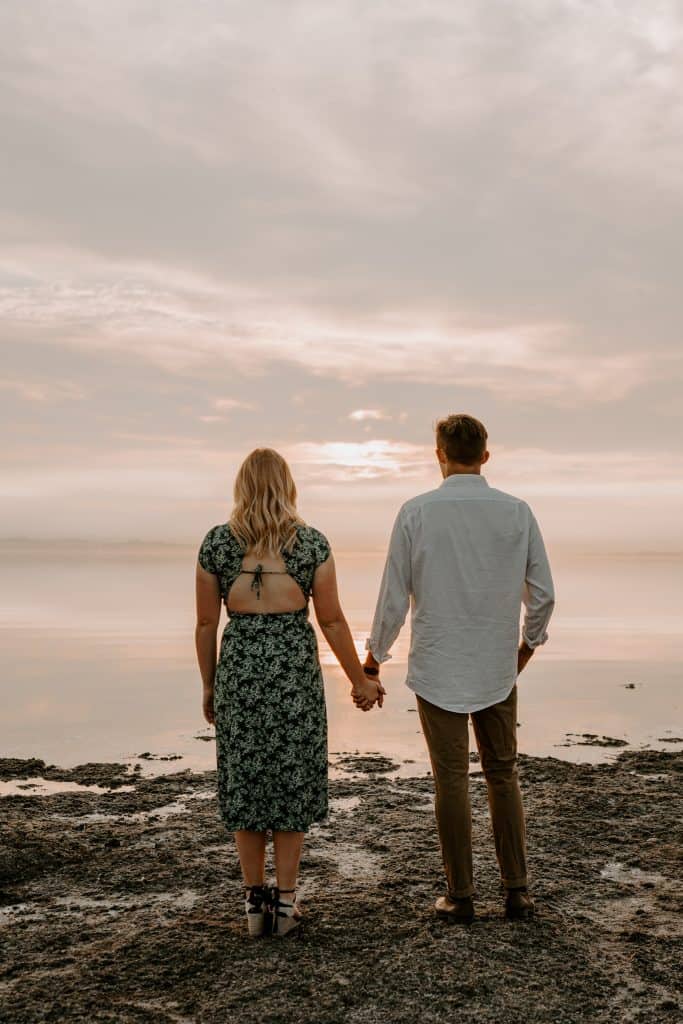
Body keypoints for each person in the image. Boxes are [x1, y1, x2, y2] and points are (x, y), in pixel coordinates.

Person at [361, 414, 555, 922]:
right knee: (502, 773)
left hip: (439, 665)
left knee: (449, 780)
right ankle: (517, 891)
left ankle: (461, 896)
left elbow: (393, 597)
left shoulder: (416, 512)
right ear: (485, 456)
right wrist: (526, 649)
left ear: (439, 455)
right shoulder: (517, 512)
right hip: (496, 665)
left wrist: (373, 657)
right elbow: (543, 595)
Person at [195, 448, 384, 938]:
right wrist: (358, 681)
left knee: (246, 782)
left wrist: (209, 684)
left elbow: (204, 625)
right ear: (288, 487)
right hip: (293, 678)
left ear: (241, 487)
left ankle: (254, 907)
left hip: (239, 673)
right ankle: (284, 904)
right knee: (290, 782)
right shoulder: (311, 545)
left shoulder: (216, 544)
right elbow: (332, 621)